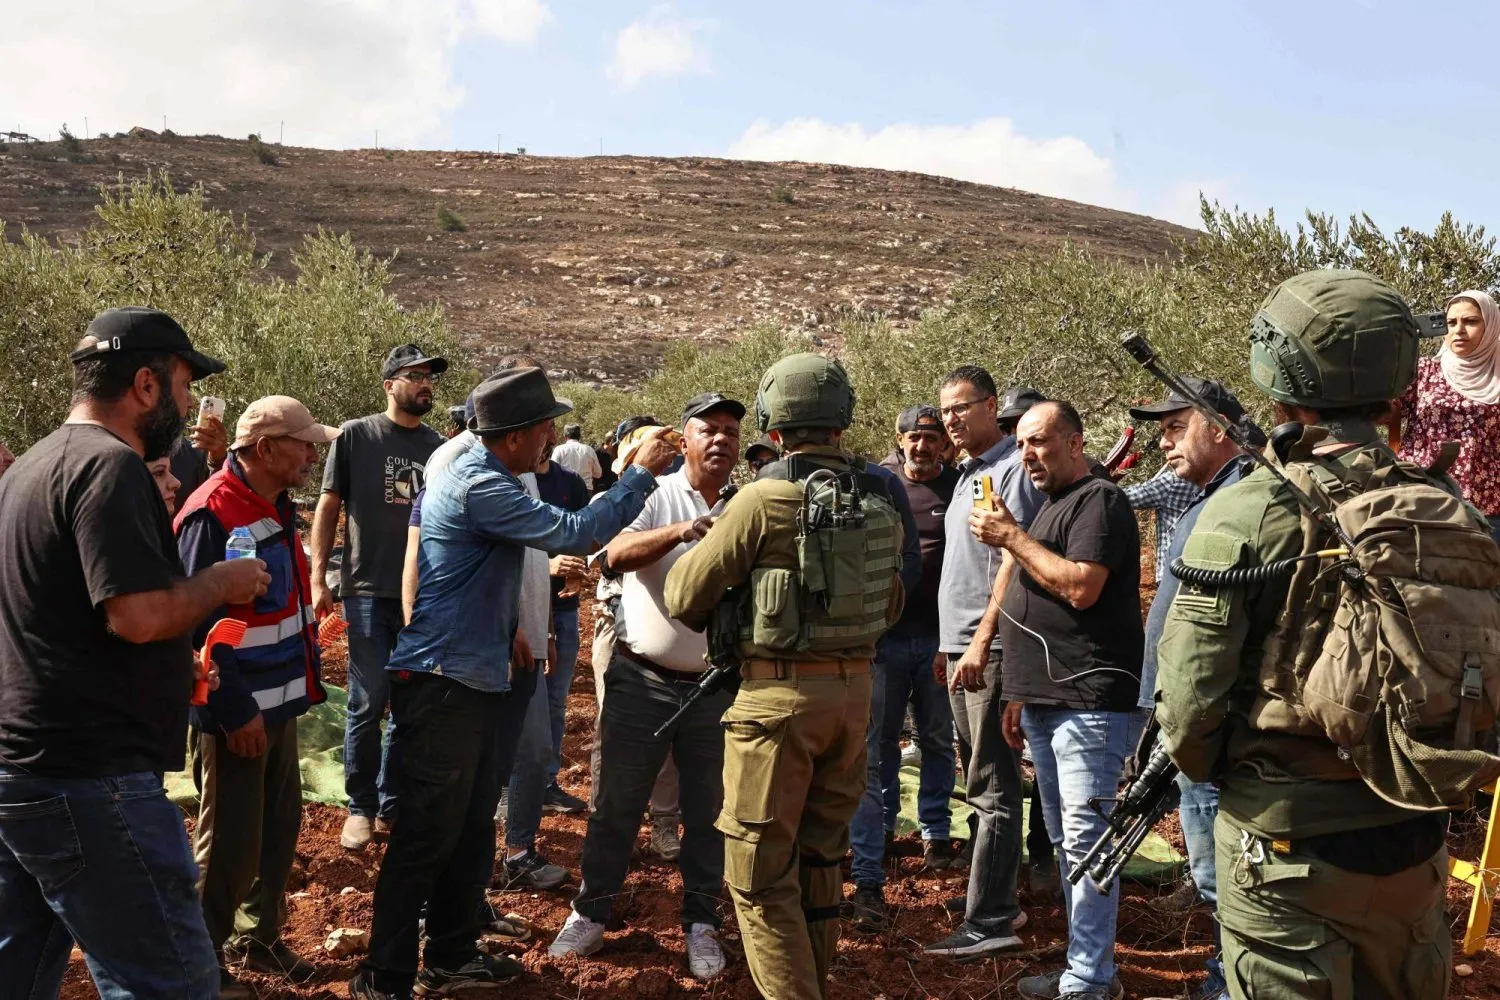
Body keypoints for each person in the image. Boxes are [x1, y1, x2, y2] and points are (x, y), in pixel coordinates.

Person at [1158, 270, 1455, 1000]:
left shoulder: (1249, 510)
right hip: (1417, 841)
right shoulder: (1446, 509)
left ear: (1278, 371)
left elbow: (1191, 712)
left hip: (1286, 849)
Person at [351, 368, 677, 1000]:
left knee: (471, 825)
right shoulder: (479, 482)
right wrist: (638, 474)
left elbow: (474, 570)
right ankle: (383, 975)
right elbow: (575, 532)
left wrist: (506, 631)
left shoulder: (484, 467)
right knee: (425, 832)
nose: (551, 438)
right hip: (444, 681)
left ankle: (450, 952)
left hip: (473, 673)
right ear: (514, 436)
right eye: (543, 428)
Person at [0, 307, 270, 1000]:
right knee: (167, 983)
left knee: (20, 971)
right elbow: (139, 615)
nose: (187, 404)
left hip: (26, 772)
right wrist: (220, 582)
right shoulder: (109, 468)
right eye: (184, 385)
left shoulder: (32, 465)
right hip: (91, 779)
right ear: (146, 385)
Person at [665, 354, 906, 1000]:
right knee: (820, 863)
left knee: (758, 877)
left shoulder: (763, 500)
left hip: (776, 704)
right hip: (855, 699)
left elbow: (683, 595)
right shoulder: (879, 500)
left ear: (773, 426)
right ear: (842, 420)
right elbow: (890, 605)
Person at [550, 391, 746, 979]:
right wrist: (685, 530)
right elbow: (609, 554)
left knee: (709, 811)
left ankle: (702, 922)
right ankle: (590, 911)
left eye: (730, 432)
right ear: (683, 439)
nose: (719, 440)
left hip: (717, 686)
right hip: (641, 679)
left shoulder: (751, 502)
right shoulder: (655, 494)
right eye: (707, 429)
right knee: (616, 804)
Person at [965, 400, 1144, 1000]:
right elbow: (1030, 596)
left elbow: (1080, 588)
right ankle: (1087, 971)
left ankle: (1089, 981)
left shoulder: (1101, 500)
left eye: (1039, 441)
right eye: (1020, 445)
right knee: (1069, 843)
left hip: (1087, 701)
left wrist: (1010, 534)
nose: (1028, 454)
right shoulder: (1052, 506)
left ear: (1075, 440)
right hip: (1047, 701)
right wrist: (1018, 693)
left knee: (1088, 844)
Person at [175, 396, 340, 997]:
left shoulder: (273, 504)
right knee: (228, 846)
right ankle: (200, 965)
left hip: (279, 707)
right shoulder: (212, 513)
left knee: (277, 829)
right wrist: (234, 710)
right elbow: (195, 626)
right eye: (304, 444)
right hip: (238, 713)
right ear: (265, 449)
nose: (312, 454)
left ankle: (258, 940)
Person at [1129, 378, 1250, 1000]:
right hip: (1186, 710)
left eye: (1176, 428)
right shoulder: (1210, 498)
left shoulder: (1240, 503)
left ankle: (1229, 984)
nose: (1164, 442)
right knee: (1210, 862)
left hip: (1210, 718)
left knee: (1221, 869)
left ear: (1220, 428)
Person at [310, 343, 448, 850]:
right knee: (368, 704)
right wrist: (317, 577)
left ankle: (392, 802)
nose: (425, 383)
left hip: (422, 596)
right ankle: (360, 806)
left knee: (411, 708)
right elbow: (328, 507)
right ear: (390, 384)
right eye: (415, 375)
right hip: (367, 590)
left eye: (430, 376)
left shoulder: (438, 446)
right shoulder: (355, 436)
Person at [926, 373, 1045, 959]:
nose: (949, 419)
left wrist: (978, 642)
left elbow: (1015, 557)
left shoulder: (1010, 470)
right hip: (962, 646)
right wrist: (948, 644)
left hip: (990, 650)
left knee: (993, 785)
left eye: (961, 408)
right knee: (978, 782)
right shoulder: (970, 475)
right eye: (944, 410)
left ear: (991, 408)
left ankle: (992, 918)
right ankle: (998, 895)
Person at [847, 405, 960, 931]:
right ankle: (886, 828)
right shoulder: (879, 486)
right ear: (899, 439)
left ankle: (936, 832)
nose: (922, 446)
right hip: (885, 640)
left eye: (931, 437)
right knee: (880, 742)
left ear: (943, 443)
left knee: (938, 739)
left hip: (939, 638)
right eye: (914, 437)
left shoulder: (959, 487)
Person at [587, 416, 683, 857]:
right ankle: (604, 819)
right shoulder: (613, 503)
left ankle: (664, 823)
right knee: (613, 729)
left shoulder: (676, 498)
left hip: (664, 628)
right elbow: (602, 559)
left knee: (669, 732)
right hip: (614, 626)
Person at [1399, 288, 1500, 544]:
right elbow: (1378, 411)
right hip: (1423, 498)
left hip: (1488, 506)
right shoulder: (1423, 370)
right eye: (1451, 322)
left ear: (1491, 326)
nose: (1458, 330)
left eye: (1471, 321)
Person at [1124, 465, 1201, 584]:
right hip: (1203, 570)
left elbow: (1124, 497)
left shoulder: (1172, 483)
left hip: (1173, 574)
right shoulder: (1226, 478)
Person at [551, 423, 602, 489]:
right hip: (586, 490)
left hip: (566, 490)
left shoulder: (559, 450)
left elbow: (552, 472)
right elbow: (598, 474)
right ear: (579, 435)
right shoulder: (589, 450)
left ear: (565, 436)